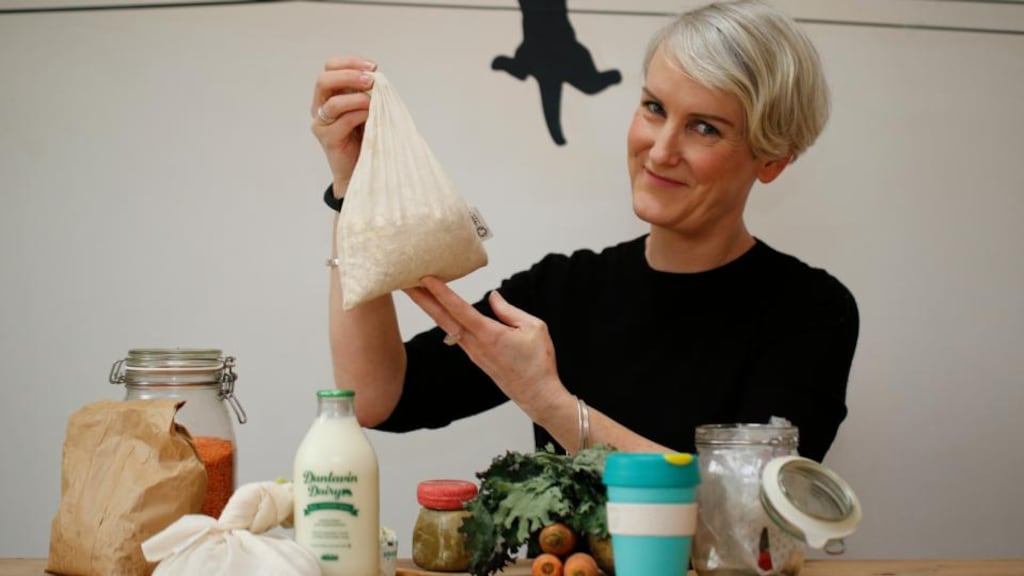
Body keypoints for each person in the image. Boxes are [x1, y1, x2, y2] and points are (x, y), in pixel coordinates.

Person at [309, 0, 858, 462]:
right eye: (653, 108)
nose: (661, 150)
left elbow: (741, 513)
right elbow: (377, 397)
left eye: (704, 127)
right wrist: (353, 190)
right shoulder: (565, 292)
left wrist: (546, 399)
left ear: (772, 160)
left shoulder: (810, 313)